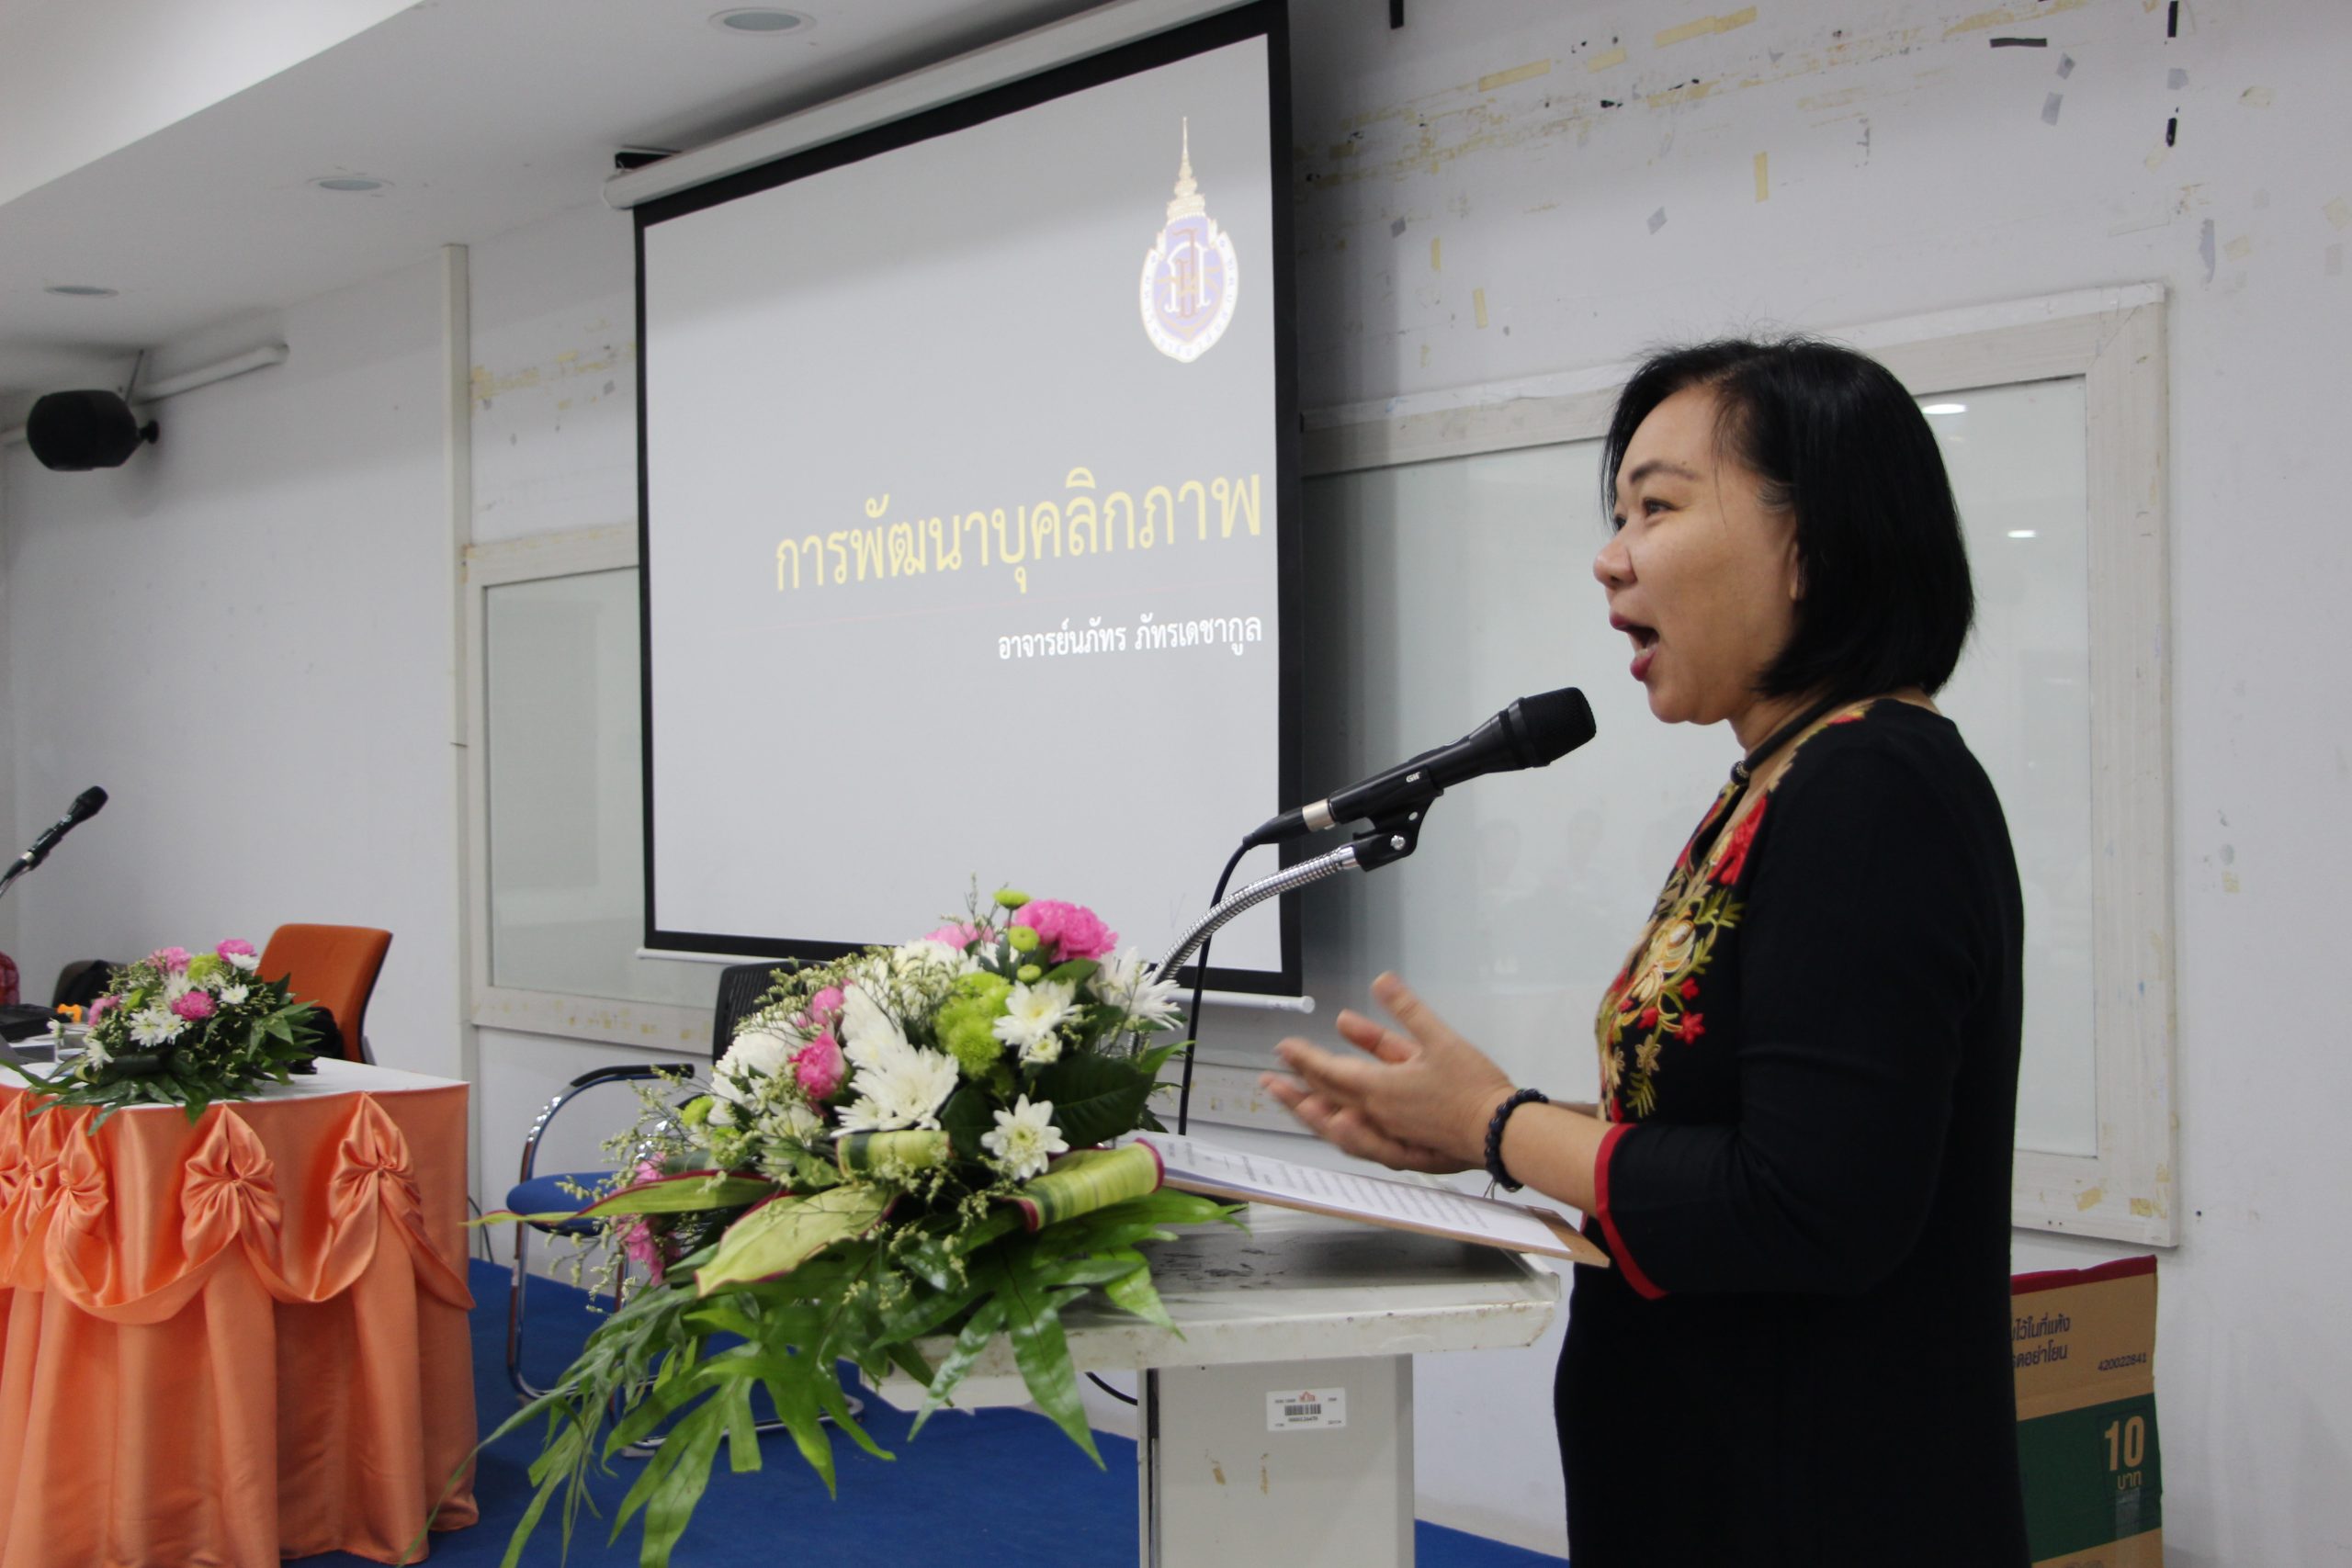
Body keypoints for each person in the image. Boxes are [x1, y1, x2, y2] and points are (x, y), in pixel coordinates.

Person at [1263, 338, 2030, 1566]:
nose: (1610, 557)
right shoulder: (1781, 780)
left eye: (1657, 508)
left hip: (1813, 1508)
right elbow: (1746, 1126)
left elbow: (1807, 1203)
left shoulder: (1873, 788)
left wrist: (1500, 1126)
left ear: (1812, 544)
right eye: (1617, 516)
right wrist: (1478, 1127)